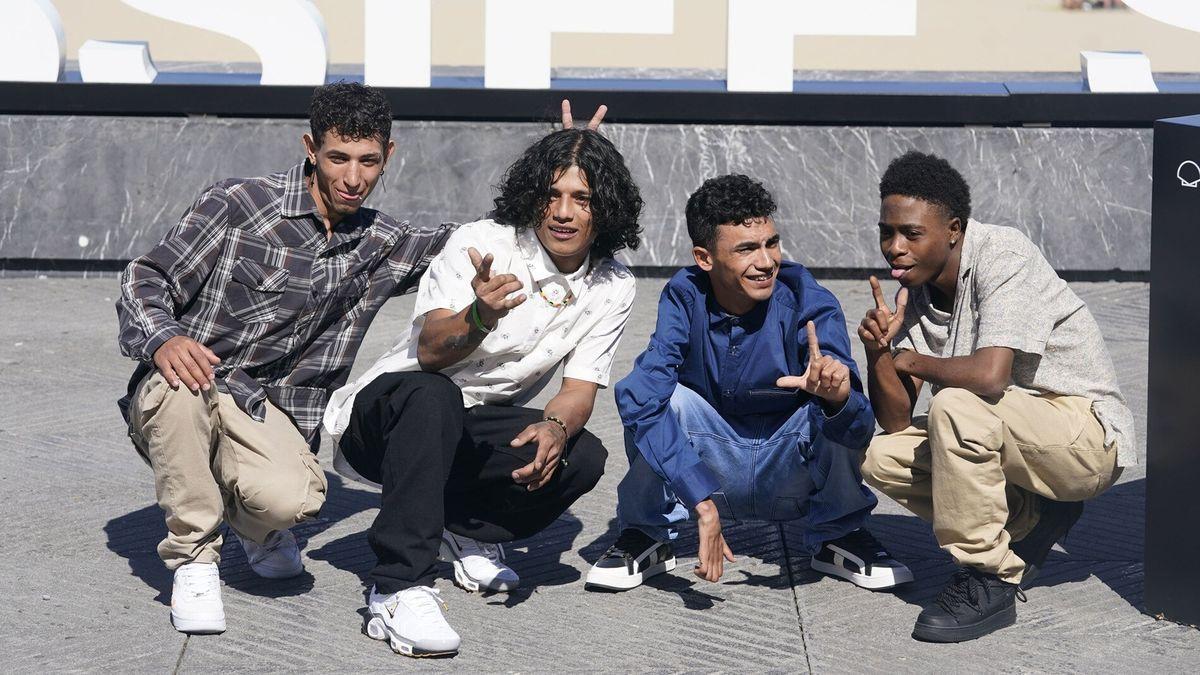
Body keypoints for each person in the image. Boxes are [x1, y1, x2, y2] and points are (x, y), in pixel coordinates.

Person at [116, 82, 455, 635]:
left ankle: (256, 525)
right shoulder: (238, 204)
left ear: (388, 155)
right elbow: (146, 277)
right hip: (189, 383)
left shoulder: (382, 242)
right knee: (182, 384)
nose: (353, 177)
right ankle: (195, 560)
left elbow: (474, 241)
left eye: (369, 161)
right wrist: (163, 338)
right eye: (337, 157)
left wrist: (559, 170)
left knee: (294, 501)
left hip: (267, 413)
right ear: (310, 147)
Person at [322, 113, 641, 658]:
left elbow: (580, 389)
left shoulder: (612, 284)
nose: (563, 212)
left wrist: (556, 427)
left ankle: (460, 526)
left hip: (468, 429)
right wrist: (480, 316)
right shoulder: (482, 242)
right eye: (552, 194)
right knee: (434, 394)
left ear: (605, 209)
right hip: (389, 419)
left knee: (582, 455)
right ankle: (397, 587)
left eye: (582, 198)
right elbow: (428, 352)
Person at [585, 174, 911, 594]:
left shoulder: (807, 298)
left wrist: (838, 397)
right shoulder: (684, 295)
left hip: (789, 468)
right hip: (705, 472)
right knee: (660, 398)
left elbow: (860, 427)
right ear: (705, 258)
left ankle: (838, 536)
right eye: (746, 249)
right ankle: (645, 536)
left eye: (770, 243)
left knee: (832, 402)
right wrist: (700, 500)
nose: (766, 261)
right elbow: (639, 397)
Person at [858, 151, 1135, 642]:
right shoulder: (918, 291)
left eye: (912, 234)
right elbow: (897, 421)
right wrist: (879, 352)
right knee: (883, 456)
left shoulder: (1003, 253)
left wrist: (909, 360)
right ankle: (1032, 519)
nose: (895, 248)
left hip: (1085, 435)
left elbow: (990, 376)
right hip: (1016, 438)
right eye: (887, 232)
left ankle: (989, 580)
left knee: (955, 406)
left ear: (954, 230)